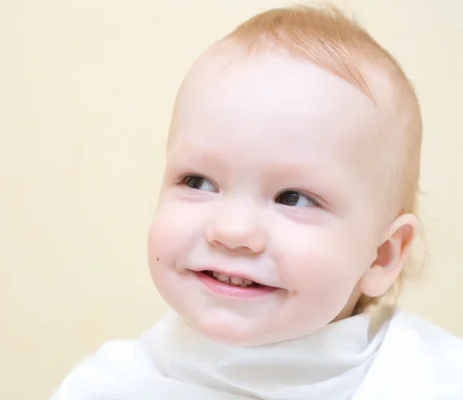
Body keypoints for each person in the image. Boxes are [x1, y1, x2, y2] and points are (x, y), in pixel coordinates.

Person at [50, 5, 463, 399]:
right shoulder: (105, 387)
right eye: (198, 181)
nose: (231, 231)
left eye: (294, 198)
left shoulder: (432, 382)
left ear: (381, 256)